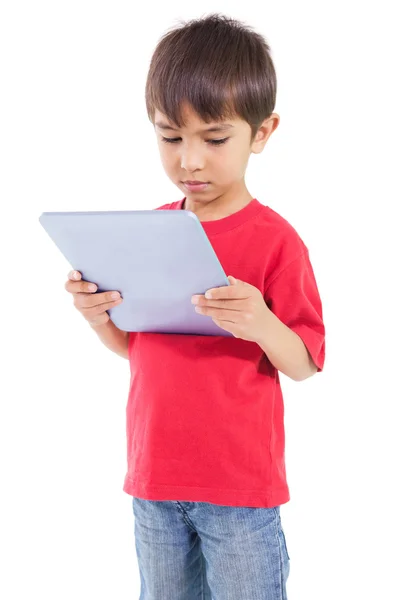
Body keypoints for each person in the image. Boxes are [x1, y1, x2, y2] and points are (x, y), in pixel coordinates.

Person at [65, 13, 325, 600]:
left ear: (262, 132)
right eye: (170, 137)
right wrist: (98, 315)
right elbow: (136, 347)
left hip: (238, 490)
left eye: (214, 138)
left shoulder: (275, 240)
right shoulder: (149, 232)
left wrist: (260, 322)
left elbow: (305, 362)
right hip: (154, 479)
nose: (190, 161)